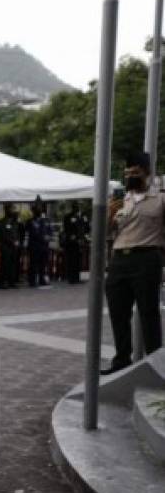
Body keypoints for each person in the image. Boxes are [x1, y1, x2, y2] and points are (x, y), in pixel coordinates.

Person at [102, 151, 165, 374]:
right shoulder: (120, 200)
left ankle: (155, 362)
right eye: (127, 173)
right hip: (119, 260)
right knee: (118, 312)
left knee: (149, 313)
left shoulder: (160, 198)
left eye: (135, 172)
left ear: (147, 173)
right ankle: (121, 360)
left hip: (146, 258)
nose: (130, 176)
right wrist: (109, 215)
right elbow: (106, 234)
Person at [25, 200, 53, 287]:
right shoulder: (30, 221)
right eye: (37, 210)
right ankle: (32, 281)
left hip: (44, 246)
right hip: (34, 246)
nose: (39, 211)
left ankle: (42, 279)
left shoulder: (46, 220)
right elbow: (33, 233)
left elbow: (50, 230)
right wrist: (43, 237)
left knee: (43, 264)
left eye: (40, 209)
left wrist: (49, 236)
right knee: (33, 264)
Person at [62, 201, 89, 284]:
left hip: (78, 241)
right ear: (73, 208)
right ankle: (71, 278)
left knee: (77, 260)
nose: (77, 209)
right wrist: (71, 236)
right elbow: (66, 228)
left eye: (77, 207)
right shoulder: (68, 217)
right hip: (70, 242)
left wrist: (85, 220)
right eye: (75, 207)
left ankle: (77, 277)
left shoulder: (81, 217)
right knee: (71, 260)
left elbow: (86, 227)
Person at [0, 204, 20, 289]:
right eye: (11, 209)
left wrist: (17, 241)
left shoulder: (15, 222)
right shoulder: (1, 222)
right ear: (6, 210)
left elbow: (16, 233)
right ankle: (2, 282)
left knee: (13, 265)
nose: (13, 211)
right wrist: (13, 242)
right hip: (6, 247)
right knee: (4, 265)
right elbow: (3, 235)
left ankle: (11, 281)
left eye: (13, 209)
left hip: (14, 247)